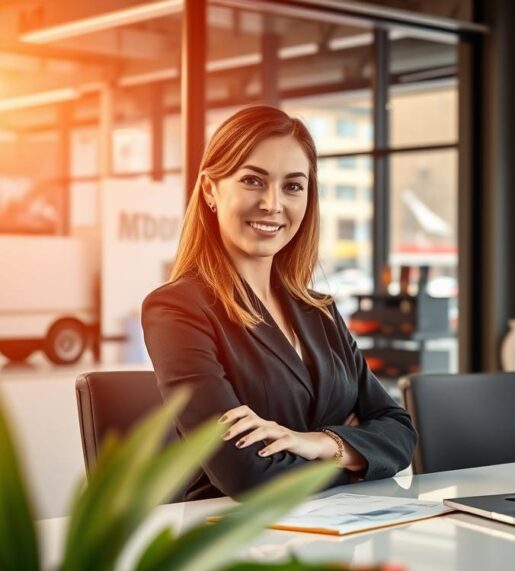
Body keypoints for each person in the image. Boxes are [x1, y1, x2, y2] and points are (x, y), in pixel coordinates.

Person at [142, 105, 416, 500]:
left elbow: (399, 431)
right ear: (209, 190)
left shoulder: (319, 311)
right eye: (253, 180)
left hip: (341, 531)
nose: (273, 204)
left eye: (293, 186)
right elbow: (246, 474)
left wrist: (320, 443)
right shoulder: (177, 309)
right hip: (239, 538)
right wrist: (358, 458)